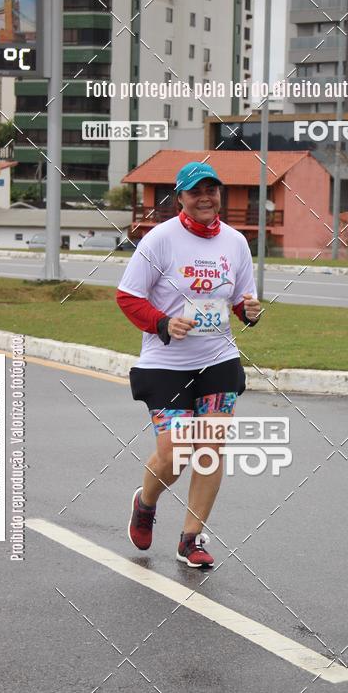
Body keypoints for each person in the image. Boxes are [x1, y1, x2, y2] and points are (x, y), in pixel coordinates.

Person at [116, 161, 261, 568]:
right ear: (180, 197)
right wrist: (163, 323)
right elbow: (128, 297)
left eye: (211, 190)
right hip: (166, 364)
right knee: (175, 453)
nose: (205, 198)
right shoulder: (160, 239)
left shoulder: (235, 242)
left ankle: (190, 539)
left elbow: (241, 301)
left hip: (218, 360)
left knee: (210, 450)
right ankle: (146, 503)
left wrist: (250, 312)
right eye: (196, 191)